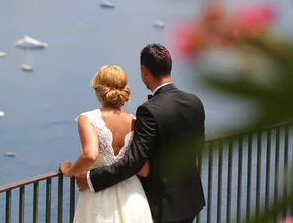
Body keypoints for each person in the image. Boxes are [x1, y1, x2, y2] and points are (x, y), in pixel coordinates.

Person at [75, 44, 206, 223]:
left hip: (163, 203)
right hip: (190, 197)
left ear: (144, 70)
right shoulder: (194, 102)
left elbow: (134, 162)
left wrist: (90, 179)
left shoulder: (149, 111)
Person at [59, 65, 153, 223]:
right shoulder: (134, 122)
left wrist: (69, 171)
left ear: (98, 90)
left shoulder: (88, 118)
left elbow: (90, 154)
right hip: (133, 199)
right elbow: (144, 170)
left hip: (98, 197)